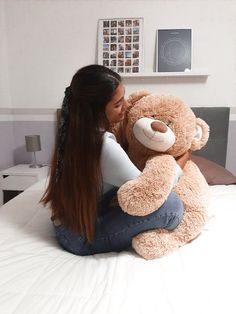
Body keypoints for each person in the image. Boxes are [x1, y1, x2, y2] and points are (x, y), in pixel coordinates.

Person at [41, 64, 190, 256]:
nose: (126, 107)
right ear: (96, 111)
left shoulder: (72, 132)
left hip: (69, 224)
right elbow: (148, 192)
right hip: (80, 239)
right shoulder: (103, 145)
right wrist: (182, 160)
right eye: (118, 104)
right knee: (172, 205)